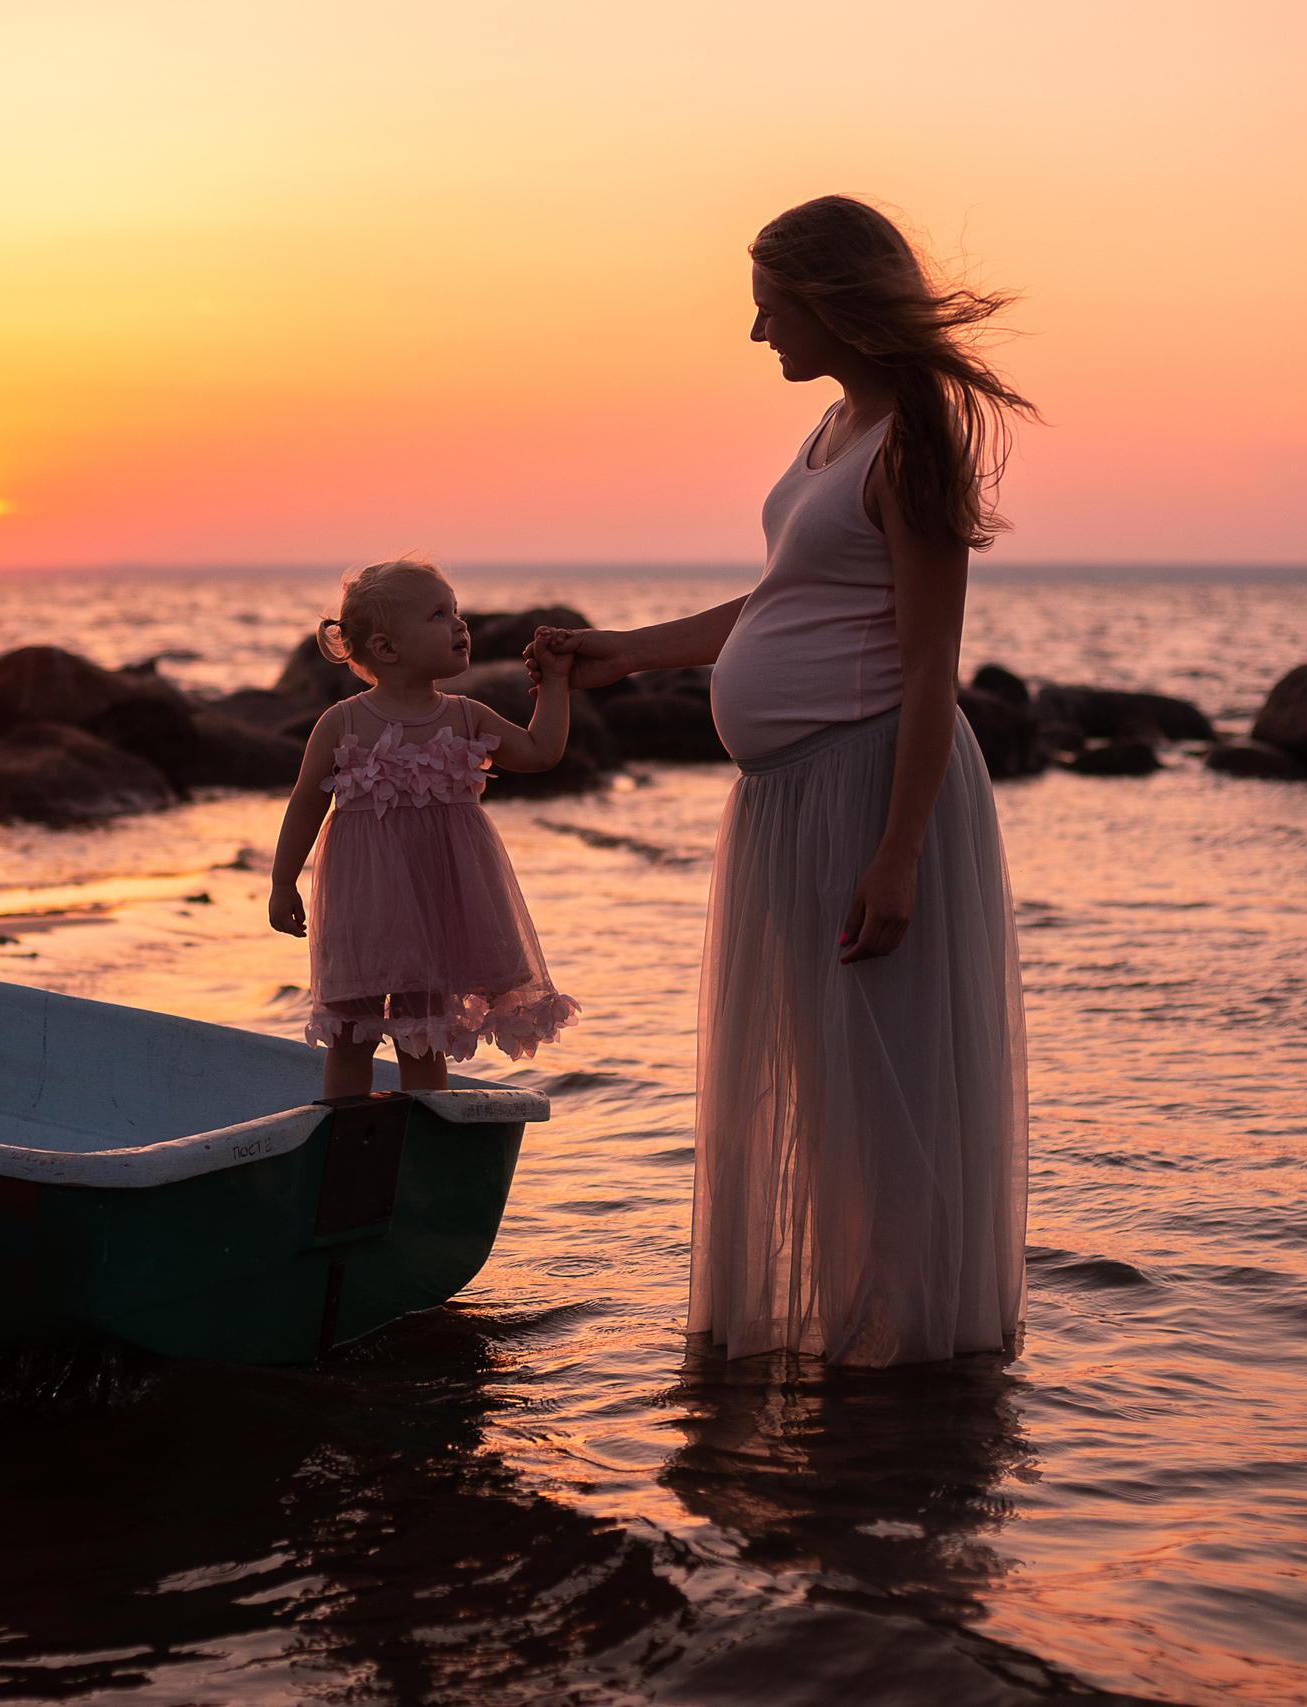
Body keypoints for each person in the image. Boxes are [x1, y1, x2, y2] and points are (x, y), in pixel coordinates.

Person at [534, 196, 1035, 1366]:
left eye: (771, 308)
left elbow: (926, 663)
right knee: (821, 1088)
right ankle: (861, 1327)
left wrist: (898, 852)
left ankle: (906, 1350)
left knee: (882, 1089)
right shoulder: (830, 431)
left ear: (831, 302)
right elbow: (782, 601)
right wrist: (628, 654)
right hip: (786, 802)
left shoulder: (913, 438)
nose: (758, 333)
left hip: (864, 789)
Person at [269, 558, 580, 1100]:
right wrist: (281, 882)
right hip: (364, 898)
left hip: (441, 898)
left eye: (456, 611)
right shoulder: (342, 722)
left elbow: (540, 752)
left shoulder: (466, 716)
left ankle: (423, 1138)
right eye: (439, 614)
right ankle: (346, 1135)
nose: (460, 624)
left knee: (424, 1032)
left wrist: (554, 682)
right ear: (387, 648)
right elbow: (303, 805)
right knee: (349, 1027)